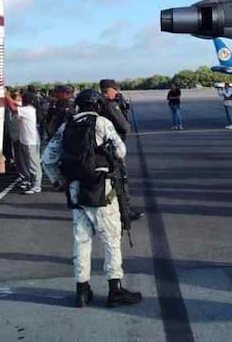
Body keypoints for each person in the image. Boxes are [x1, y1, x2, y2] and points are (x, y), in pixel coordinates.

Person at [42, 89, 143, 308]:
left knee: (81, 240)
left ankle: (82, 290)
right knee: (111, 240)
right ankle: (115, 289)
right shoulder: (102, 123)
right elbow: (121, 151)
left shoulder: (66, 126)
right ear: (97, 105)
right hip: (100, 187)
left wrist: (58, 181)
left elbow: (47, 158)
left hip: (75, 188)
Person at [98, 79, 142, 222]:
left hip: (100, 149)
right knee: (120, 179)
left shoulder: (97, 103)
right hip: (113, 147)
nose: (116, 92)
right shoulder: (110, 105)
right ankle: (125, 212)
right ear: (109, 90)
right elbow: (124, 126)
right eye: (114, 90)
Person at [17, 92, 43, 194]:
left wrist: (6, 96)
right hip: (27, 140)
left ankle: (36, 185)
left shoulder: (28, 110)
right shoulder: (28, 109)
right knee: (29, 163)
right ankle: (32, 183)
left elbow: (13, 108)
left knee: (33, 164)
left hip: (30, 141)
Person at [3, 87, 20, 171]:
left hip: (16, 135)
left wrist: (7, 96)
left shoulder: (21, 107)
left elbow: (13, 107)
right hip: (10, 132)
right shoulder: (8, 107)